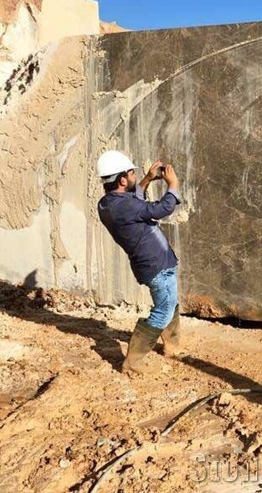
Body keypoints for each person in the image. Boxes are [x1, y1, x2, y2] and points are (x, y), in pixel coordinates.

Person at [96, 150, 182, 375]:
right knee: (163, 308)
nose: (136, 176)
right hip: (156, 265)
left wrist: (147, 179)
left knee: (169, 301)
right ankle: (132, 362)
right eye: (132, 173)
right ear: (123, 180)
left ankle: (172, 346)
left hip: (152, 262)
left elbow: (133, 200)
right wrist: (172, 185)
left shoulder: (108, 204)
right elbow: (162, 208)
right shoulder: (125, 207)